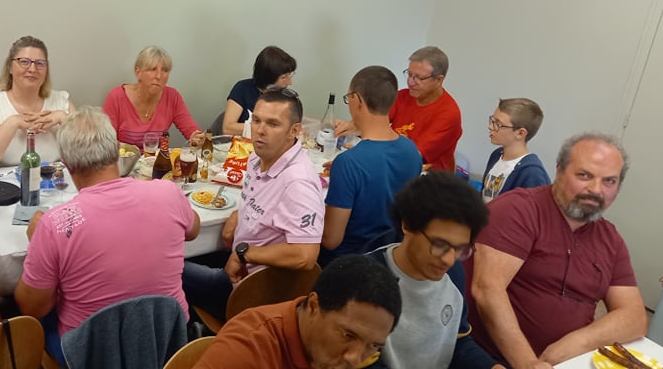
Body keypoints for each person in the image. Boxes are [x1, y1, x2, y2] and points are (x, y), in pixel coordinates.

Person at [15, 107, 200, 364]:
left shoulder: (54, 224)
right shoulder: (168, 193)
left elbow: (32, 308)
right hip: (167, 343)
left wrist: (39, 242)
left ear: (67, 165)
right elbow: (193, 230)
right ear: (116, 152)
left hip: (91, 355)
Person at [466, 133, 647, 368]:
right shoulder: (518, 210)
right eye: (584, 175)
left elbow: (634, 317)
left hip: (568, 362)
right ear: (559, 171)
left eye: (609, 181)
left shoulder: (610, 239)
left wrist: (580, 342)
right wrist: (529, 363)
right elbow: (487, 291)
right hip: (496, 360)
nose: (596, 189)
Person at [182, 87, 325, 322]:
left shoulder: (298, 182)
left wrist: (244, 255)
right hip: (241, 261)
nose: (260, 130)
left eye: (273, 124)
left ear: (294, 131)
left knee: (164, 266)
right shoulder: (258, 157)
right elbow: (261, 199)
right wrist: (239, 213)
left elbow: (305, 255)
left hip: (254, 290)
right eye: (256, 120)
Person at [365, 171, 502, 369]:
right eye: (439, 244)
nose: (449, 259)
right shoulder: (367, 279)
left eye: (460, 248)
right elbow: (358, 359)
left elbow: (458, 341)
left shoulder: (453, 274)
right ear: (407, 225)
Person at [192, 254, 402, 369]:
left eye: (373, 346)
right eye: (348, 335)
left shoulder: (343, 355)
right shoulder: (246, 350)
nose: (355, 359)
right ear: (314, 306)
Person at [320, 66, 422, 265]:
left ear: (357, 100)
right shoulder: (412, 151)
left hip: (347, 263)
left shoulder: (349, 162)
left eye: (348, 98)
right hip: (390, 257)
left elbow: (331, 240)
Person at [0, 35, 75, 167]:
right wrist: (13, 122)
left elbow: (87, 158)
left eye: (40, 63)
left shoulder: (62, 101)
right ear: (10, 67)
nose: (32, 69)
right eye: (24, 62)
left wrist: (63, 118)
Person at [103, 45, 204, 148]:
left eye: (164, 70)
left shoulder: (172, 97)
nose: (159, 76)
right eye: (152, 69)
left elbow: (192, 131)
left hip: (157, 158)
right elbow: (106, 144)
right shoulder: (116, 97)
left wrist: (196, 138)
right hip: (124, 158)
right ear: (138, 72)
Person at [481, 98, 550, 203]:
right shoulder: (496, 155)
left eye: (498, 124)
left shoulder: (532, 174)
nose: (490, 127)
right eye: (492, 120)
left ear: (520, 133)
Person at [222, 45, 296, 136]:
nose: (289, 82)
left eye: (290, 75)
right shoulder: (243, 88)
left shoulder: (283, 95)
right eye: (284, 77)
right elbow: (228, 128)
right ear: (268, 77)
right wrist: (267, 127)